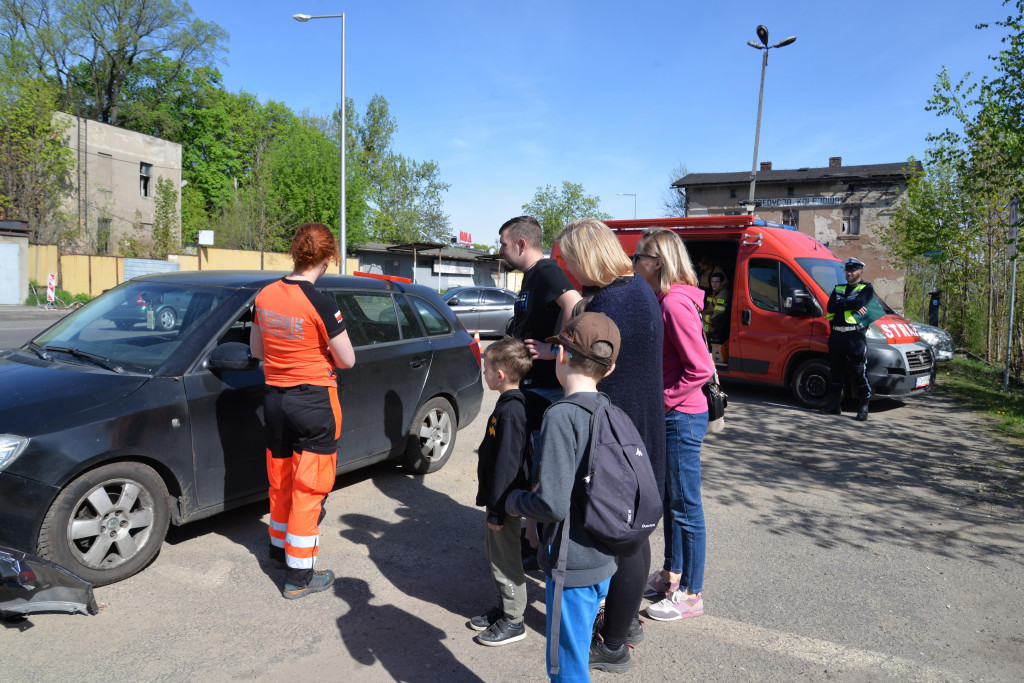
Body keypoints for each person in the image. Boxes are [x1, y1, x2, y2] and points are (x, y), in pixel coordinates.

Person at [555, 218, 665, 673]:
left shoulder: (608, 303)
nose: (568, 268)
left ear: (587, 256)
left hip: (617, 431)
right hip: (642, 424)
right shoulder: (638, 288)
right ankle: (627, 620)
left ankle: (614, 644)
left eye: (570, 259)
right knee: (636, 530)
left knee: (622, 537)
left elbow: (583, 369)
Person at [504, 312, 621, 682]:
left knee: (565, 667)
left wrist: (514, 502)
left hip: (571, 564)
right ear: (610, 368)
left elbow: (552, 505)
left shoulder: (561, 416)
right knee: (577, 654)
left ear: (562, 355)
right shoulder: (609, 408)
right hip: (603, 557)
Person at [250, 222, 356, 599]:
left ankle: (279, 551)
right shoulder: (321, 302)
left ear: (295, 253)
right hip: (313, 402)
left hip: (275, 399)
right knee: (309, 489)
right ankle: (300, 577)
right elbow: (347, 360)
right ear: (328, 259)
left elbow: (257, 351)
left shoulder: (265, 295)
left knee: (280, 480)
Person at [633, 227, 715, 622]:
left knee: (686, 506)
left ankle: (691, 593)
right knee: (672, 502)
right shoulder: (668, 300)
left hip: (681, 418)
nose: (634, 263)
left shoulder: (674, 305)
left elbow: (700, 368)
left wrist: (663, 401)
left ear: (657, 262)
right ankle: (671, 575)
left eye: (637, 257)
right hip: (676, 415)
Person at [499, 216, 581, 555]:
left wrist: (558, 349)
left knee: (541, 467)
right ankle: (532, 536)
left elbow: (574, 303)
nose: (500, 250)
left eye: (503, 244)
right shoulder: (531, 276)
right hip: (531, 385)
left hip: (545, 387)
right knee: (532, 463)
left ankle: (537, 542)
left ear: (521, 244)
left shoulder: (547, 271)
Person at [471, 337, 533, 647]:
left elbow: (507, 466)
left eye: (486, 368)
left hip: (505, 502)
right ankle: (503, 607)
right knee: (496, 556)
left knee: (506, 560)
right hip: (498, 500)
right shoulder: (507, 404)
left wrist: (497, 510)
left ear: (500, 374)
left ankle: (514, 619)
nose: (483, 373)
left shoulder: (511, 411)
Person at [820, 257, 874, 421]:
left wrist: (842, 303)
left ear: (860, 272)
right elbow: (830, 307)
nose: (849, 273)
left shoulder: (866, 288)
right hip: (837, 335)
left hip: (854, 336)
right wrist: (850, 304)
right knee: (835, 371)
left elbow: (858, 302)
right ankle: (835, 405)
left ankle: (863, 406)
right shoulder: (838, 288)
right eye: (847, 270)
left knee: (858, 371)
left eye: (853, 270)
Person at [702, 268, 730, 344]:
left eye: (717, 282)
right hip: (708, 321)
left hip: (712, 326)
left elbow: (716, 317)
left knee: (695, 327)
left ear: (722, 283)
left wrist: (702, 317)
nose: (714, 284)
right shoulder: (715, 292)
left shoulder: (722, 295)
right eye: (712, 282)